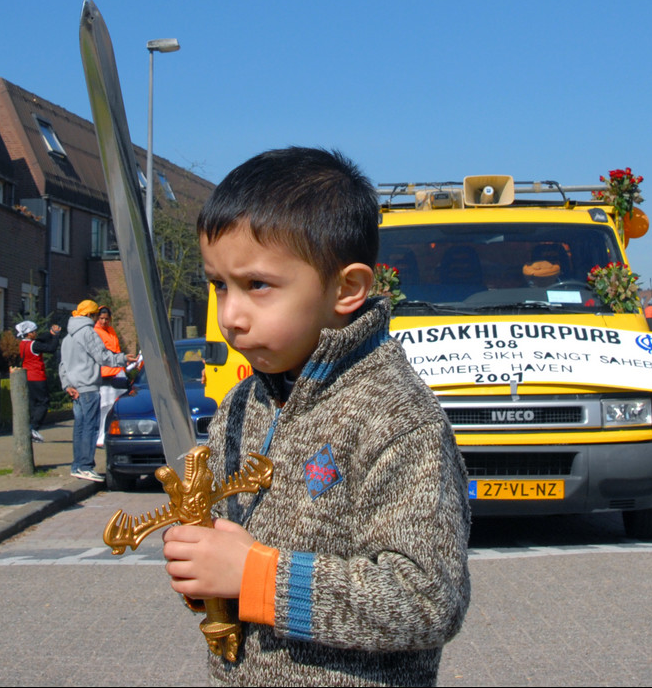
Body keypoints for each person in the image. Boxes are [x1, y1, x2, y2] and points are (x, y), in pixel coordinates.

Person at [161, 147, 470, 685]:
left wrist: (257, 576)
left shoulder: (394, 416)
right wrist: (207, 569)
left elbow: (427, 599)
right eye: (218, 285)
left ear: (347, 288)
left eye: (257, 285)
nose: (230, 316)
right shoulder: (242, 404)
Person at [59, 300, 133, 482]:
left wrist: (67, 385)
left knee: (79, 427)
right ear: (91, 315)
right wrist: (122, 359)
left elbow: (62, 365)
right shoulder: (88, 333)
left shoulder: (68, 336)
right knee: (90, 428)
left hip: (74, 388)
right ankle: (85, 466)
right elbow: (102, 356)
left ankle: (77, 465)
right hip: (89, 387)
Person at [16, 320, 62, 443]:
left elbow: (41, 339)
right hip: (37, 377)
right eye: (34, 332)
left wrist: (50, 333)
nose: (36, 333)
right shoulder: (34, 345)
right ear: (29, 334)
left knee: (33, 404)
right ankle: (34, 428)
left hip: (27, 377)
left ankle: (30, 426)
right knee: (43, 402)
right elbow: (51, 348)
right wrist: (56, 335)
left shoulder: (23, 344)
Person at [93, 306, 126, 447]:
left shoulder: (111, 331)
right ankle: (99, 436)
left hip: (116, 371)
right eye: (101, 318)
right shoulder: (95, 332)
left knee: (115, 404)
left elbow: (115, 350)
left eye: (106, 319)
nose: (104, 321)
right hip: (104, 374)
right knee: (103, 406)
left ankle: (109, 433)